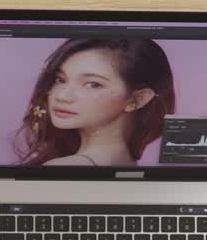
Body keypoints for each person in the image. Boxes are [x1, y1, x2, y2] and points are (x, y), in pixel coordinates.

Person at [15, 38, 175, 167]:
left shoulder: (65, 167)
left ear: (137, 99)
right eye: (60, 80)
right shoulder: (126, 162)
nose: (62, 96)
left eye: (93, 84)